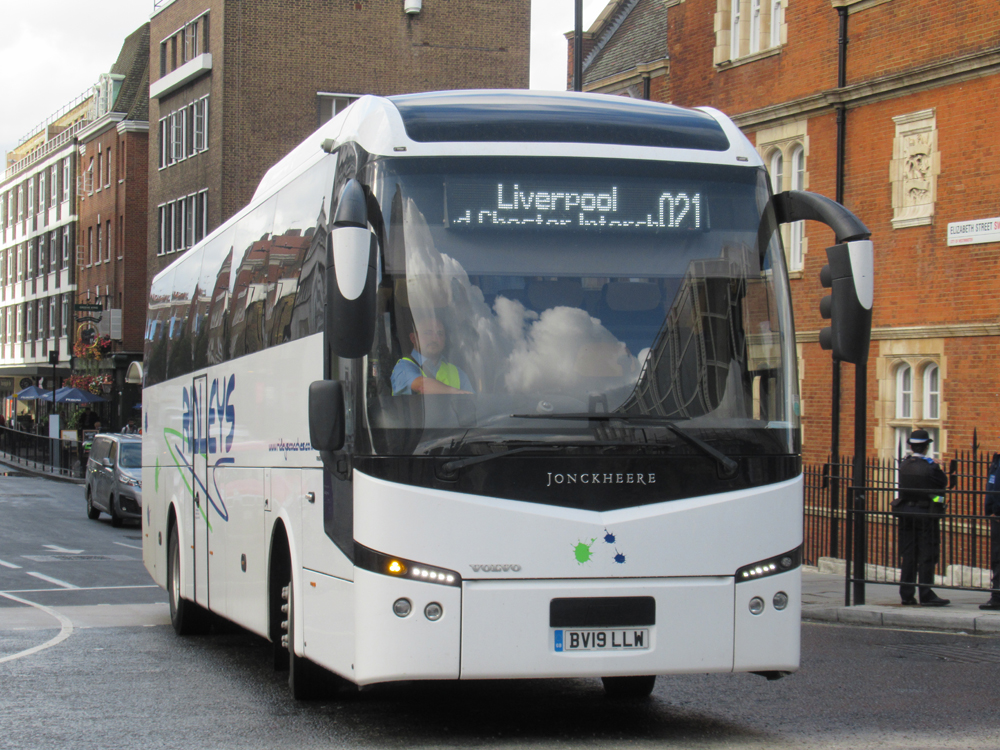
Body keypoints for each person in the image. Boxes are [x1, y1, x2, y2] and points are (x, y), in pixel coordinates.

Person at [895, 429, 950, 606]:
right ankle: (926, 594)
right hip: (925, 514)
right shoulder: (931, 466)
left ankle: (906, 594)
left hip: (906, 513)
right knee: (927, 553)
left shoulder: (904, 464)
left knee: (909, 554)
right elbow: (942, 485)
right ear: (926, 446)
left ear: (911, 446)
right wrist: (938, 499)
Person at [391, 313, 474, 395]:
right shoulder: (403, 367)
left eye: (440, 334)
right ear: (413, 338)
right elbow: (422, 385)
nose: (434, 339)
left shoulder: (458, 373)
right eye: (428, 333)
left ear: (445, 339)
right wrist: (458, 393)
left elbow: (472, 399)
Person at [981, 449, 1000, 610]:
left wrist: (996, 510)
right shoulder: (996, 461)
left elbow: (996, 490)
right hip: (996, 514)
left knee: (998, 558)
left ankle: (997, 597)